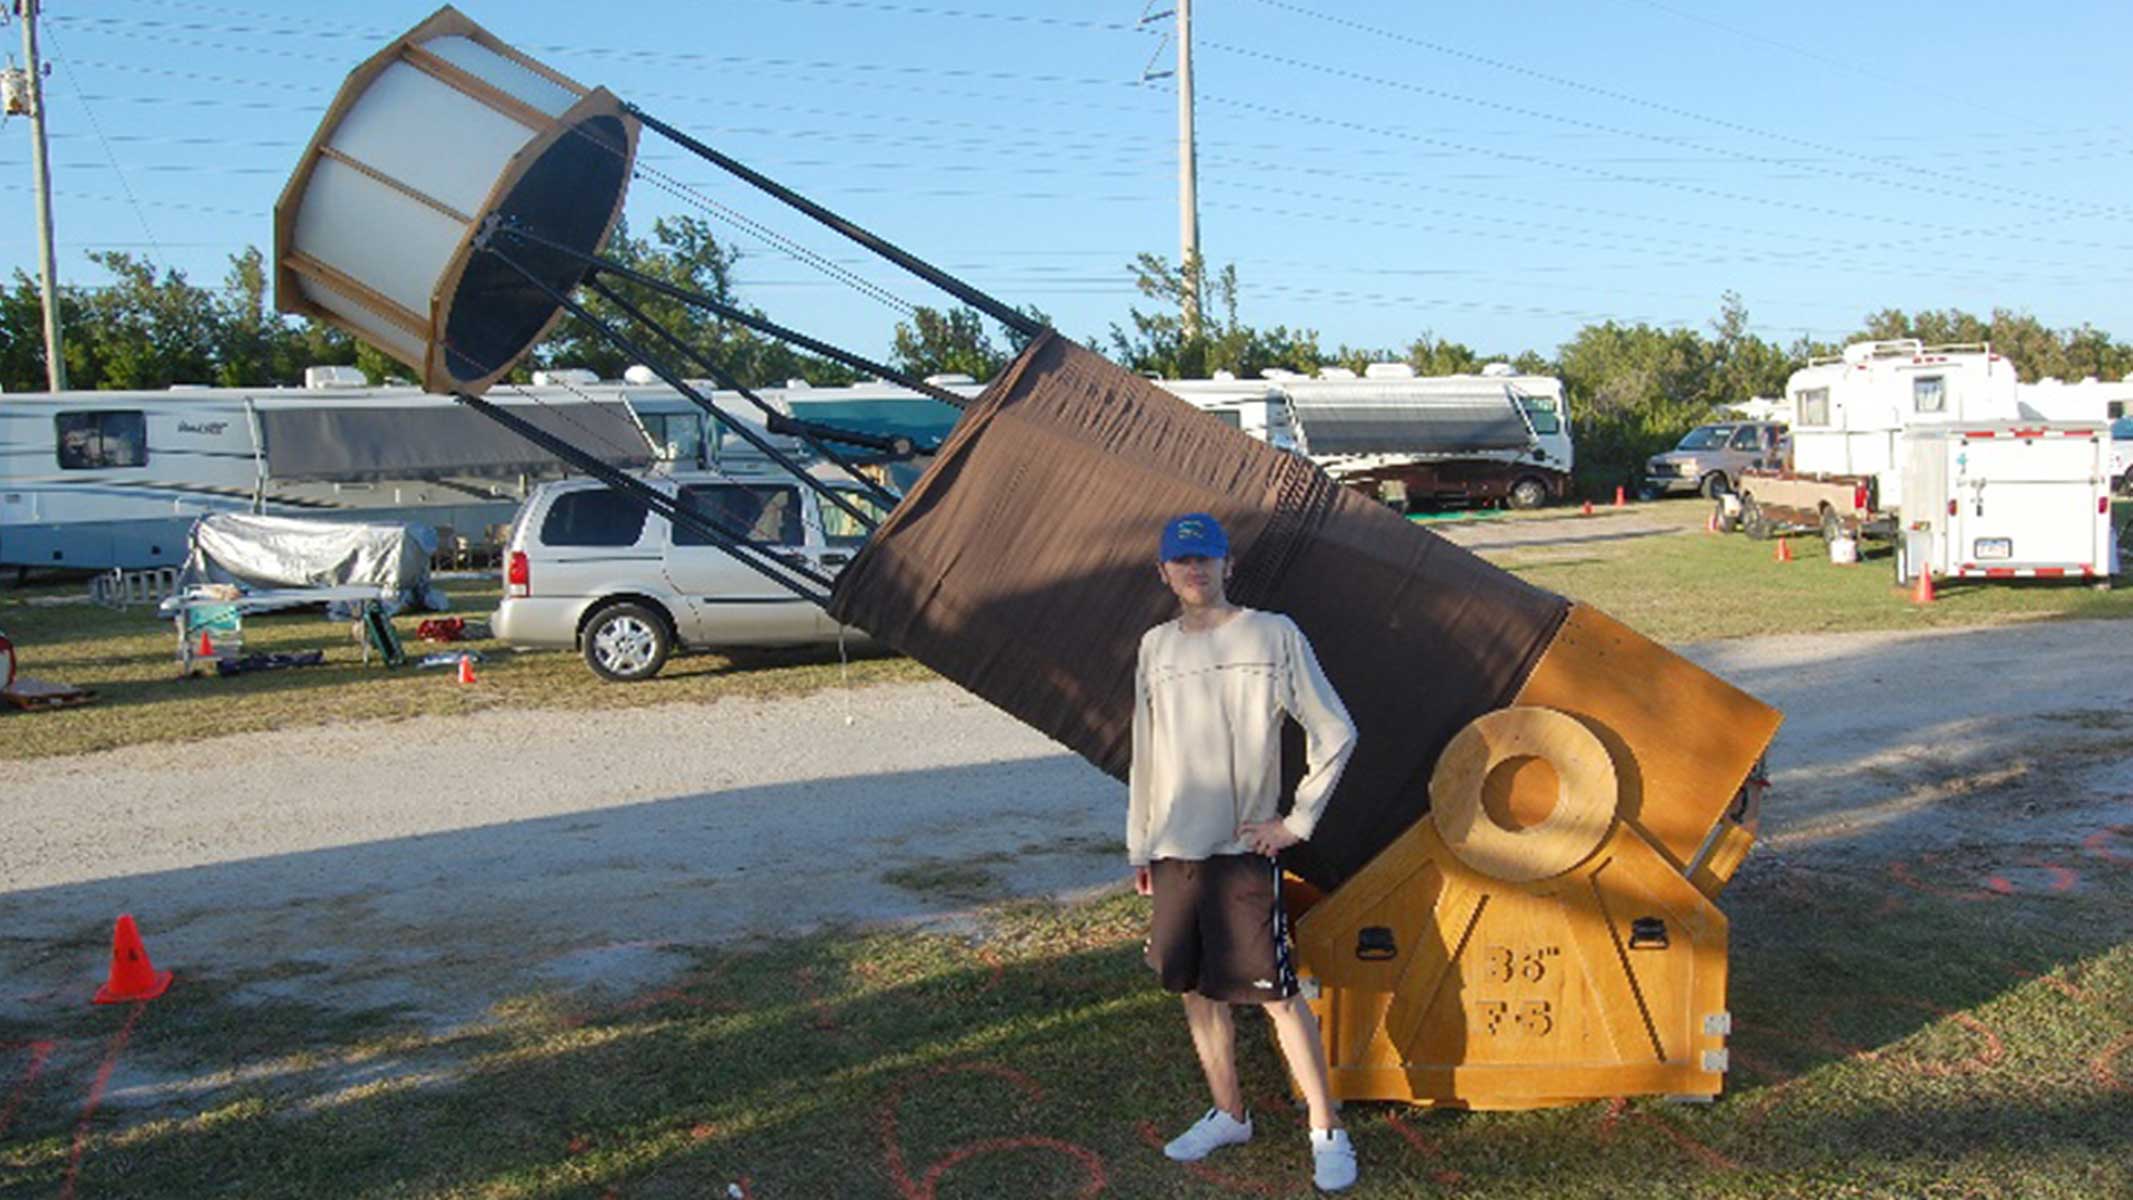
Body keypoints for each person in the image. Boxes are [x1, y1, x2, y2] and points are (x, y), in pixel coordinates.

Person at [1128, 511, 1360, 1192]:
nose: (1193, 571)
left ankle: (1326, 1130)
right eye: (1181, 561)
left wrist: (1297, 822)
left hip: (1241, 849)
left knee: (1277, 995)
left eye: (1205, 560)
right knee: (1196, 989)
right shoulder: (1155, 648)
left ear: (1227, 566)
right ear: (1163, 571)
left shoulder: (1272, 634)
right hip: (1173, 848)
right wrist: (1140, 844)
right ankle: (1229, 1113)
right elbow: (1146, 750)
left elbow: (1334, 729)